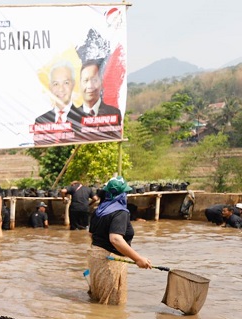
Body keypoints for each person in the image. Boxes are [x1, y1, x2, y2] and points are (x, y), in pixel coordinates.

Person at [88, 176, 152, 305]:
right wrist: (138, 259)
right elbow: (115, 239)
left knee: (98, 300)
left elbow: (90, 234)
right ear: (122, 195)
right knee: (113, 305)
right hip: (110, 261)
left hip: (95, 258)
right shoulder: (120, 212)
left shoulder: (99, 210)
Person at [32, 61, 84, 145]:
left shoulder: (83, 118)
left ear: (73, 84)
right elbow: (39, 149)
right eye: (56, 84)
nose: (61, 89)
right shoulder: (41, 121)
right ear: (50, 87)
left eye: (66, 83)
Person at [77, 59, 123, 140]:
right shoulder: (72, 116)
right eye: (85, 81)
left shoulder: (114, 113)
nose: (90, 86)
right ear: (80, 84)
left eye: (94, 80)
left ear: (101, 83)